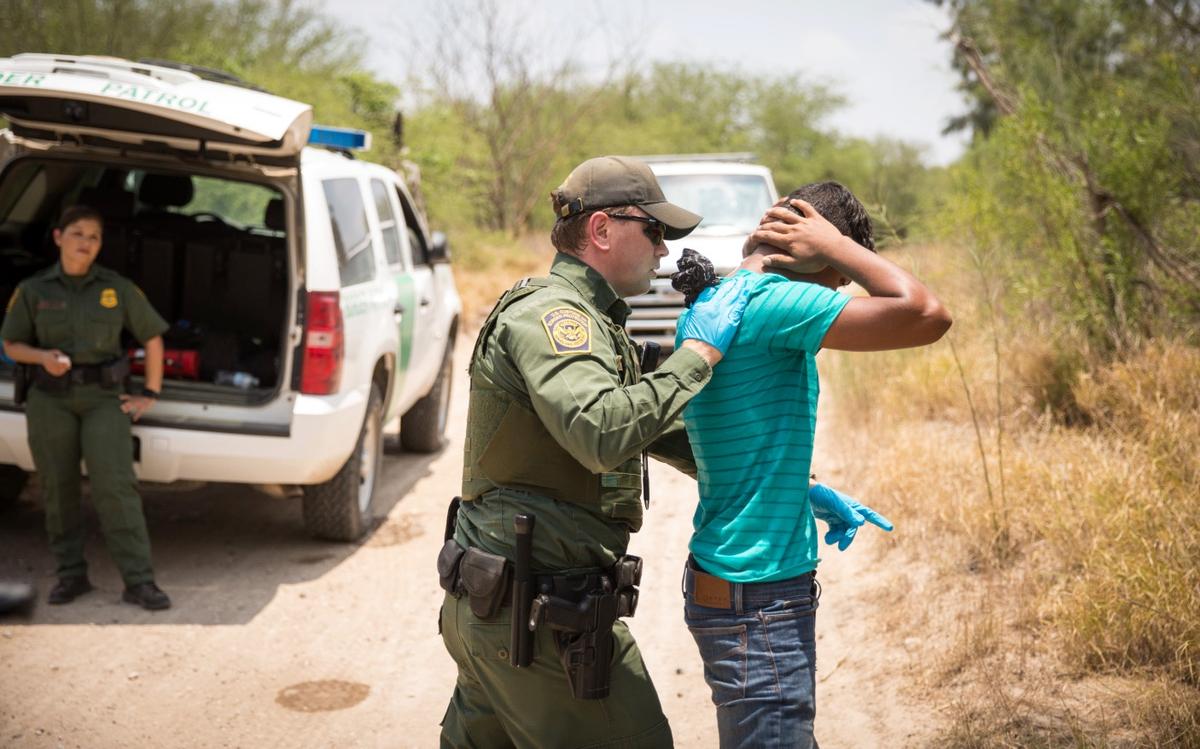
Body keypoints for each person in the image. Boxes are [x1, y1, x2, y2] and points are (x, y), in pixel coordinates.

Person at [437, 155, 794, 748]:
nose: (664, 252)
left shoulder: (596, 325)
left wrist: (780, 480)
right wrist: (699, 354)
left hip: (505, 609)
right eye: (653, 231)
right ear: (601, 231)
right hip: (537, 616)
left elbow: (649, 428)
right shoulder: (555, 318)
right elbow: (602, 431)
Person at [671, 182, 952, 749]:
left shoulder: (726, 298)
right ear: (811, 250)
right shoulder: (772, 302)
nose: (841, 286)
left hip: (741, 592)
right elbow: (926, 315)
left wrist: (803, 488)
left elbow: (742, 431)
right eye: (838, 273)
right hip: (761, 604)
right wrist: (836, 245)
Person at [1, 204, 171, 611]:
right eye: (77, 233)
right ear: (59, 237)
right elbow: (11, 345)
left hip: (102, 401)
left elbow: (152, 337)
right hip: (49, 401)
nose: (86, 243)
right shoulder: (34, 289)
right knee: (57, 490)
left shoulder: (117, 288)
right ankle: (71, 576)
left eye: (94, 237)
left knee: (115, 487)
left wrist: (150, 391)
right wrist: (42, 358)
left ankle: (139, 581)